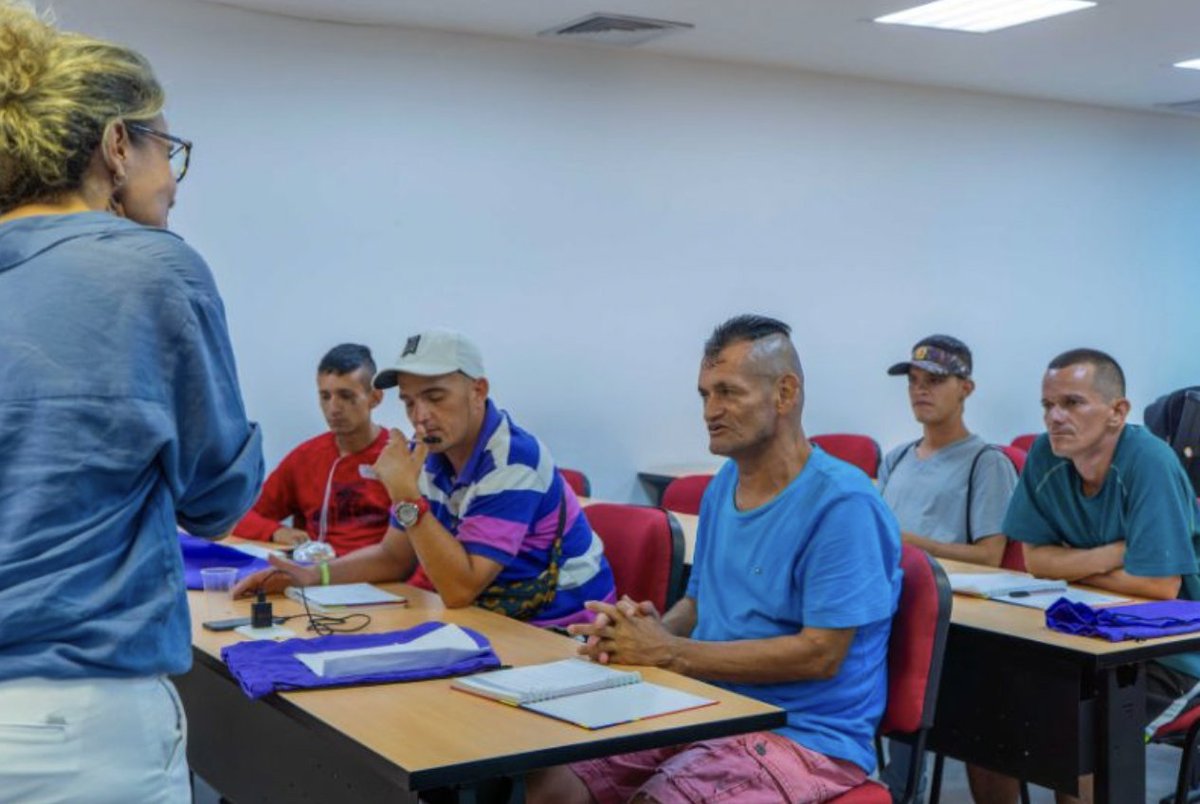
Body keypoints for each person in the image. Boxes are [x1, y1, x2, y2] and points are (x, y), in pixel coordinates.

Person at [0, 4, 263, 801]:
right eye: (166, 149)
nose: (173, 181)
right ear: (117, 144)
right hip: (73, 720)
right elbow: (217, 498)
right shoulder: (150, 272)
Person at [527, 314, 902, 804]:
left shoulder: (843, 505)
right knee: (553, 780)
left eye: (728, 392)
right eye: (705, 394)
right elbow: (701, 601)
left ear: (785, 394)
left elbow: (821, 653)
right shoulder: (723, 484)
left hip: (805, 736)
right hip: (714, 703)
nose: (710, 410)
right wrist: (648, 629)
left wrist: (670, 653)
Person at [236, 328, 615, 627]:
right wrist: (308, 576)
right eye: (410, 401)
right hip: (497, 620)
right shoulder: (434, 453)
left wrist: (404, 494)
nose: (420, 415)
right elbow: (393, 557)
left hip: (561, 632)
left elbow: (459, 589)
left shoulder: (513, 460)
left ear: (478, 391)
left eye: (435, 397)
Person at [1004, 348, 1200, 804]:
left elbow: (1159, 588)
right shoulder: (1044, 454)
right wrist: (1114, 555)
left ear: (1118, 412)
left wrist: (1073, 560)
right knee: (1001, 715)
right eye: (1048, 405)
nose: (1055, 417)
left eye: (1072, 403)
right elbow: (1036, 562)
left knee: (1078, 745)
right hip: (1094, 637)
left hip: (1175, 653)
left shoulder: (1149, 462)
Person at [877, 334, 1020, 804]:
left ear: (966, 388)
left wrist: (908, 544)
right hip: (891, 608)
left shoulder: (986, 462)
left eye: (935, 380)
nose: (921, 390)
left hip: (949, 622)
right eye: (914, 381)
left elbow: (991, 556)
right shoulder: (896, 458)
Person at [233, 343, 391, 555]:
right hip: (314, 576)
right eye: (325, 396)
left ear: (375, 398)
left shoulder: (399, 457)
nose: (333, 408)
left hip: (380, 579)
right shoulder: (305, 458)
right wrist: (275, 531)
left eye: (346, 396)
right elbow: (240, 515)